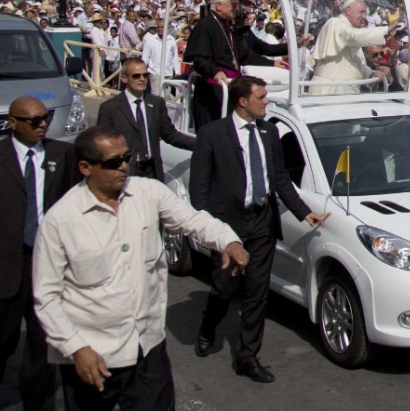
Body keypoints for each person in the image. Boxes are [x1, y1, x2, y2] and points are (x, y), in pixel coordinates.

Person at [32, 126, 249, 411]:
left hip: (147, 347)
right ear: (85, 167)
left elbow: (194, 220)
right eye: (112, 162)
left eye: (126, 157)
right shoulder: (60, 221)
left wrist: (228, 241)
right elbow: (46, 297)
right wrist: (76, 348)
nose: (123, 167)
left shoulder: (148, 193)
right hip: (93, 356)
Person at [190, 76, 330, 382]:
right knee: (225, 288)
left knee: (257, 291)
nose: (267, 101)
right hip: (228, 225)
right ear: (243, 101)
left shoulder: (269, 132)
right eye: (262, 97)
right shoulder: (213, 134)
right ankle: (208, 325)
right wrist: (210, 227)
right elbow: (198, 190)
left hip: (262, 222)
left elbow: (280, 178)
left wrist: (304, 212)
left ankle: (247, 356)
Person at [0, 97, 79, 411]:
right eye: (33, 120)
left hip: (46, 267)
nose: (42, 124)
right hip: (6, 268)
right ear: (13, 123)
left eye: (45, 118)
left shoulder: (62, 154)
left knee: (43, 347)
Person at [183, 0, 289, 129]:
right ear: (219, 6)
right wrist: (214, 71)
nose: (237, 9)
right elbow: (199, 59)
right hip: (212, 91)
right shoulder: (205, 25)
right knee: (213, 134)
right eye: (233, 5)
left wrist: (288, 49)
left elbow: (246, 55)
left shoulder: (228, 27)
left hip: (230, 87)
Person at [96, 57, 195, 180]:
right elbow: (102, 146)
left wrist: (201, 143)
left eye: (145, 75)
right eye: (136, 76)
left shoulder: (157, 103)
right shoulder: (110, 108)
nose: (142, 79)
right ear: (124, 78)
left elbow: (171, 135)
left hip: (152, 171)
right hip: (124, 173)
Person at [309, 0, 391, 95]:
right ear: (348, 10)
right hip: (330, 89)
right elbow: (352, 35)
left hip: (347, 91)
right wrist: (386, 30)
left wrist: (370, 74)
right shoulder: (335, 23)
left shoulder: (352, 35)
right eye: (361, 12)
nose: (364, 16)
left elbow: (355, 64)